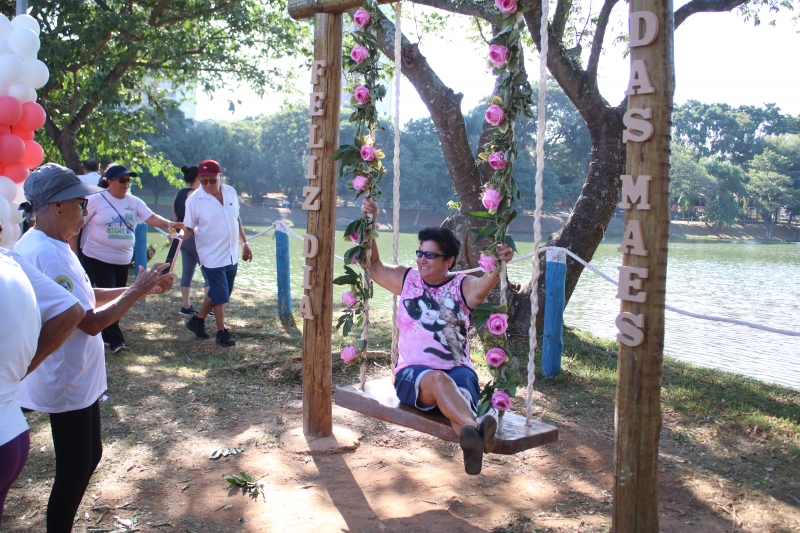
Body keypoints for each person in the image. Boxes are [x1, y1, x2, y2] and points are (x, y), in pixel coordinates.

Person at [14, 163, 174, 533]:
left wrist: (142, 287)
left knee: (90, 456)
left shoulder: (56, 245)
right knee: (74, 466)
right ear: (55, 206)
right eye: (79, 203)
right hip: (65, 376)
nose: (86, 210)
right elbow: (89, 322)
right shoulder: (45, 252)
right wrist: (136, 291)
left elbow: (85, 294)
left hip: (80, 374)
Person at [360, 196, 515, 475]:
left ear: (449, 261)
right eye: (420, 253)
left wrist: (499, 263)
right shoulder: (406, 279)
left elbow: (483, 285)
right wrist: (370, 222)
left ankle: (473, 440)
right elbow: (374, 267)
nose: (422, 260)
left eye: (430, 255)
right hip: (413, 375)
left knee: (457, 403)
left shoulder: (462, 286)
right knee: (440, 382)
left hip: (459, 371)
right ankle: (480, 430)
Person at [0, 224, 86, 527]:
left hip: (11, 427)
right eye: (80, 203)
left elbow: (77, 313)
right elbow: (76, 311)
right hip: (12, 433)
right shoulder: (15, 258)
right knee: (79, 461)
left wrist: (24, 368)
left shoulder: (21, 256)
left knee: (81, 460)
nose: (85, 211)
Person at [80, 163, 183, 353]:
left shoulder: (133, 201)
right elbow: (78, 222)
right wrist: (71, 250)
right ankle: (117, 341)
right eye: (122, 180)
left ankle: (103, 334)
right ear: (110, 181)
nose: (126, 183)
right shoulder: (97, 199)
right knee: (111, 295)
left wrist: (170, 223)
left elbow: (150, 217)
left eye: (128, 180)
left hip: (122, 260)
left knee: (120, 295)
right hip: (96, 257)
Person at [180, 159, 253, 347]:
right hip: (210, 254)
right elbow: (188, 228)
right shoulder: (194, 200)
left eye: (212, 180)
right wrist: (178, 237)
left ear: (220, 176)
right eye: (203, 181)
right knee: (220, 293)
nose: (208, 185)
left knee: (220, 291)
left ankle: (197, 320)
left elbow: (236, 219)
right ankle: (222, 332)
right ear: (198, 179)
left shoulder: (231, 192)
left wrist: (244, 244)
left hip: (230, 252)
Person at [171, 165, 209, 316]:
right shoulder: (195, 194)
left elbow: (175, 219)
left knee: (187, 272)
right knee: (209, 272)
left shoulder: (178, 194)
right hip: (194, 236)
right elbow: (201, 217)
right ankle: (209, 307)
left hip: (182, 237)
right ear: (196, 179)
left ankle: (185, 307)